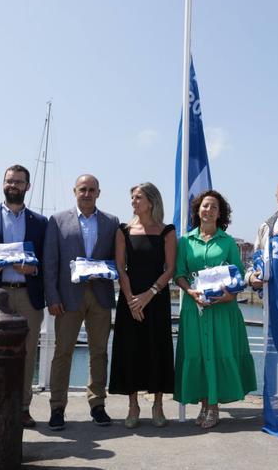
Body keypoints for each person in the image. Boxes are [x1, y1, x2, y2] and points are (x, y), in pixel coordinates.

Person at [0, 165, 48, 428]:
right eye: (9, 181)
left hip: (27, 296)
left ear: (27, 186)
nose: (13, 185)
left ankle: (22, 408)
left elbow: (46, 261)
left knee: (26, 356)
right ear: (3, 184)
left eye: (18, 182)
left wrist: (33, 268)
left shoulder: (41, 223)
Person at [174, 190, 256, 429]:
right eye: (204, 206)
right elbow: (179, 273)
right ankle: (203, 403)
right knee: (198, 354)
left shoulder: (228, 242)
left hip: (223, 309)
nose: (208, 210)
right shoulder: (186, 241)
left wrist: (231, 295)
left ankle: (213, 407)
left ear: (220, 214)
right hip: (195, 308)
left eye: (214, 207)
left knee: (218, 353)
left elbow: (239, 274)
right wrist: (190, 292)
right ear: (198, 210)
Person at [43, 174, 120, 430]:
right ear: (74, 191)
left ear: (99, 193)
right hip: (67, 298)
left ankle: (97, 404)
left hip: (100, 295)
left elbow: (116, 260)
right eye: (82, 189)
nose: (87, 194)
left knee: (99, 353)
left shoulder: (111, 222)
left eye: (92, 190)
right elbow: (50, 262)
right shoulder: (57, 220)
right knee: (62, 353)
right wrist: (52, 297)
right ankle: (57, 407)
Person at [108, 182, 176, 429]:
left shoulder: (167, 231)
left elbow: (170, 269)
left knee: (158, 348)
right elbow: (120, 268)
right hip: (130, 299)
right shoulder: (123, 230)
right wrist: (131, 300)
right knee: (131, 349)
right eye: (132, 198)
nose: (133, 202)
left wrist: (149, 295)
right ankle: (133, 405)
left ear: (151, 201)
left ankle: (158, 405)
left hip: (157, 299)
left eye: (138, 198)